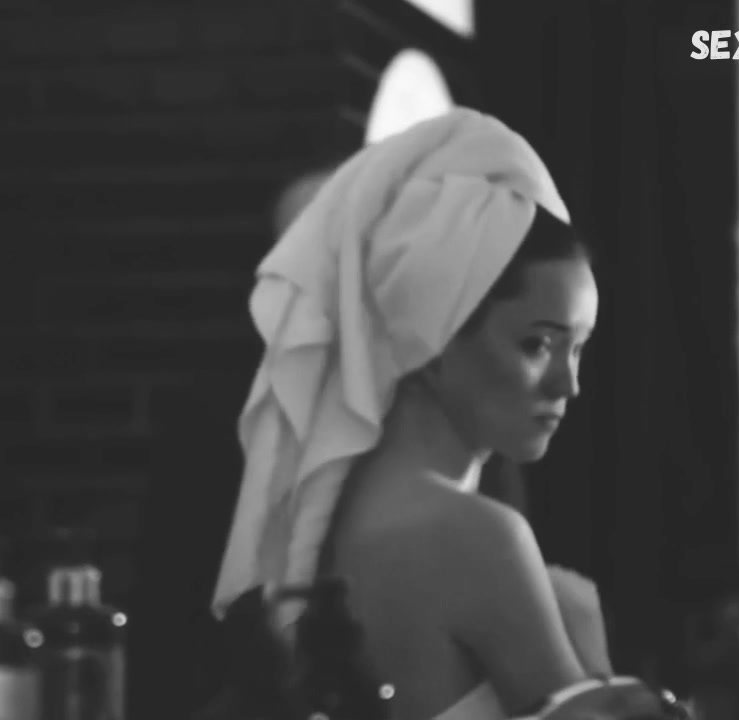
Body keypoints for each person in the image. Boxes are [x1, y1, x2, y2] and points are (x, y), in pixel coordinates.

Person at [211, 108, 660, 720]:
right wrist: (590, 654)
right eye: (537, 344)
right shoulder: (476, 537)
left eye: (578, 348)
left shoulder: (333, 519)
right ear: (433, 338)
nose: (569, 383)